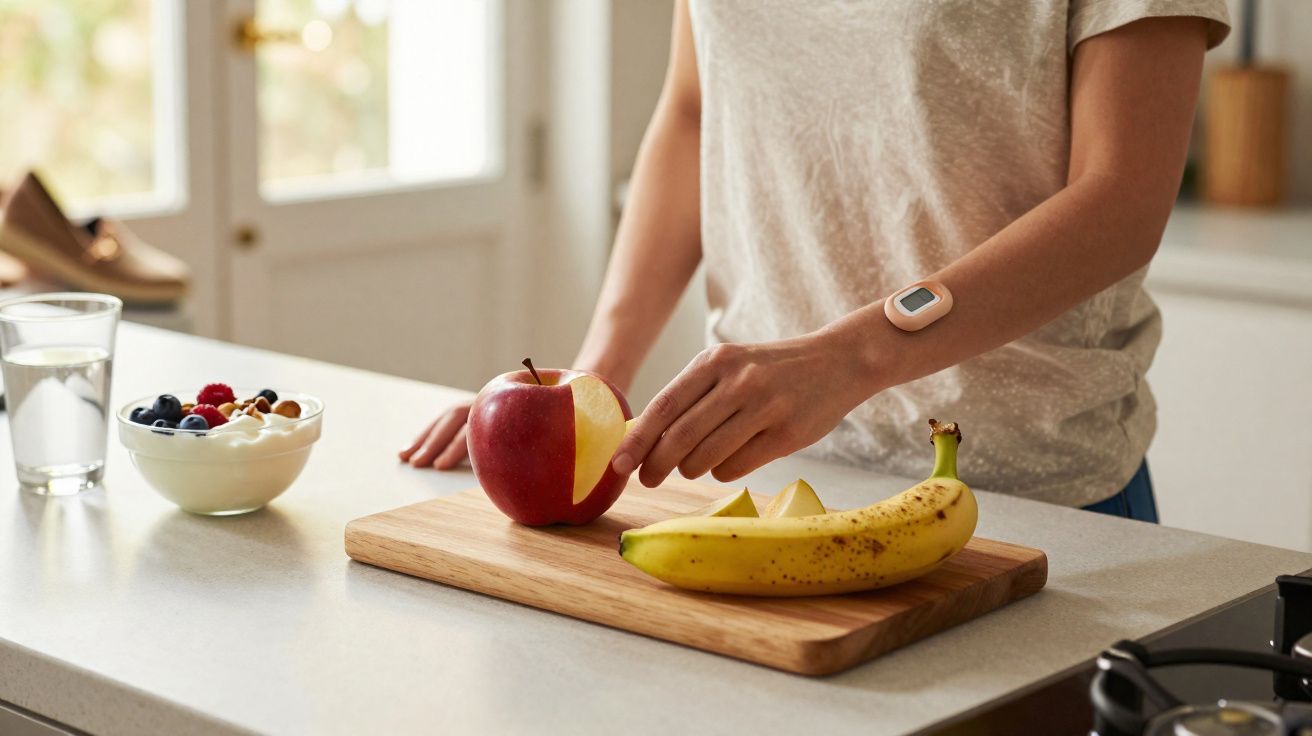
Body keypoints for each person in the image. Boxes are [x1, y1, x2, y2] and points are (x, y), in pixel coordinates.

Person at [402, 1, 1231, 522]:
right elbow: (695, 114)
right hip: (762, 476)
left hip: (1029, 492)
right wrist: (586, 396)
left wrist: (852, 356)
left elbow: (1120, 199)